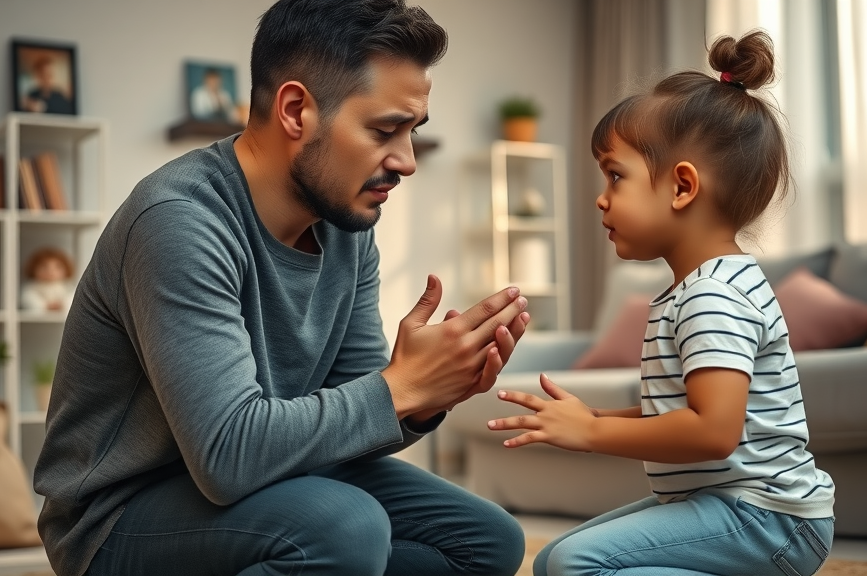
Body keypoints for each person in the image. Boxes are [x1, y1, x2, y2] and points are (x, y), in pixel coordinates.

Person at [33, 1, 530, 575]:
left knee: (488, 540)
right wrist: (399, 387)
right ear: (296, 110)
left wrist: (429, 391)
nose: (407, 161)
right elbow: (227, 456)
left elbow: (355, 422)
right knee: (344, 526)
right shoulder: (179, 221)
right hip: (118, 517)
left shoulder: (347, 226)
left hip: (271, 476)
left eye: (413, 132)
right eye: (385, 130)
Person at [489, 31, 835, 576]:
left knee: (575, 564)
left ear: (681, 187)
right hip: (738, 507)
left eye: (615, 175)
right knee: (555, 558)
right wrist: (595, 414)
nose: (601, 197)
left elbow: (714, 431)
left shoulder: (713, 295)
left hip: (770, 518)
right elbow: (685, 413)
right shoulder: (694, 289)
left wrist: (593, 433)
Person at [20, 247, 74, 312]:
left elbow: (72, 300)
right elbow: (28, 299)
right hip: (38, 320)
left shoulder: (67, 287)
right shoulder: (32, 287)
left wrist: (62, 305)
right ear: (33, 269)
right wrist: (45, 306)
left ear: (66, 269)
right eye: (44, 267)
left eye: (58, 267)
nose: (50, 271)